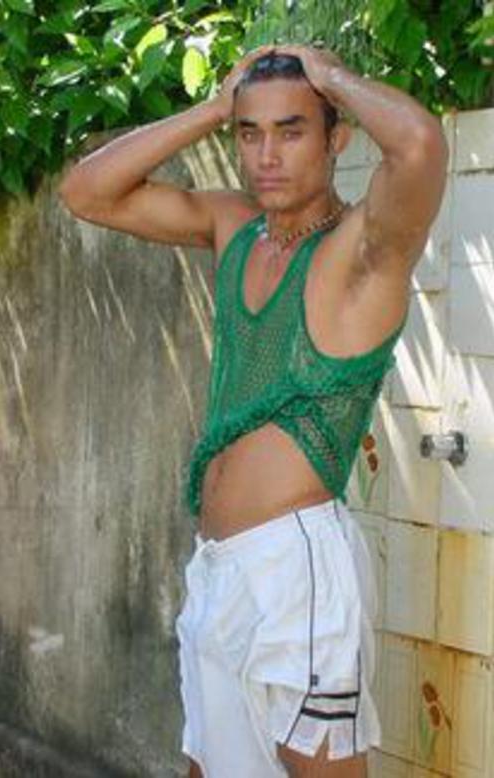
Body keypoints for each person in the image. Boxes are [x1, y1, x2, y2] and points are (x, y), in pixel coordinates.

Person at [59, 42, 447, 778]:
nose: (266, 155)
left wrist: (329, 76)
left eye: (291, 131)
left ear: (336, 138)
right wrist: (214, 106)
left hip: (295, 571)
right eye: (249, 133)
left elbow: (420, 145)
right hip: (219, 566)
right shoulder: (234, 224)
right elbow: (87, 193)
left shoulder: (365, 248)